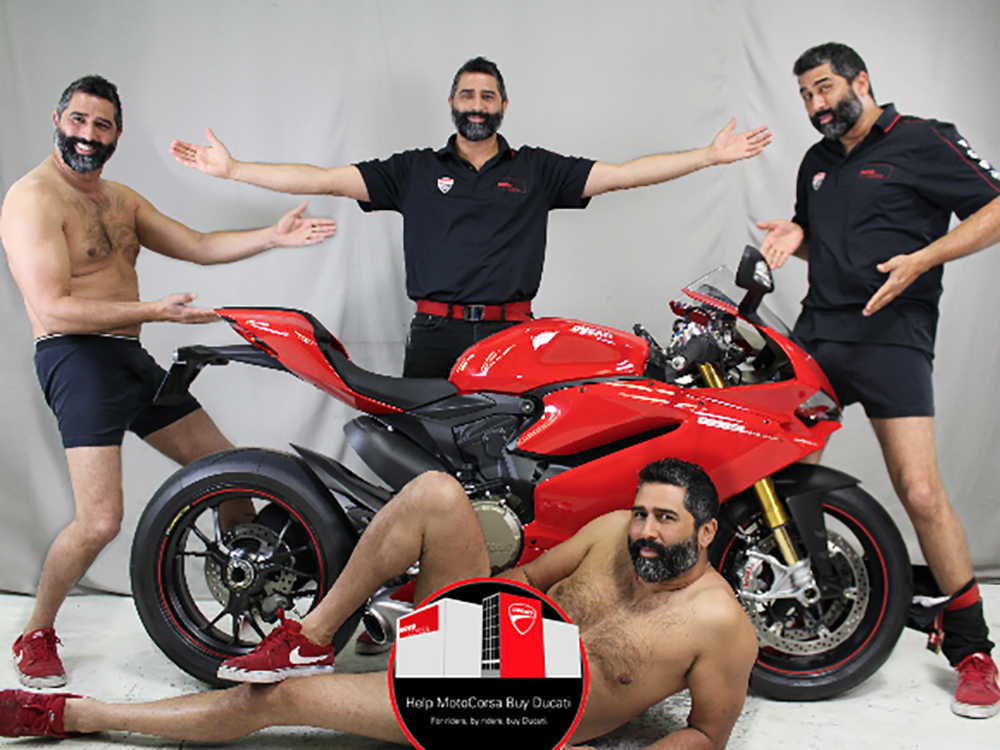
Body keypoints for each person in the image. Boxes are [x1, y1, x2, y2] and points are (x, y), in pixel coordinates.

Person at [0, 459, 759, 749]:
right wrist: (477, 621)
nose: (645, 531)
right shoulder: (610, 533)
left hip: (509, 714)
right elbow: (527, 579)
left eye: (665, 520)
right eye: (642, 512)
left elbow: (706, 734)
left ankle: (76, 715)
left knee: (276, 700)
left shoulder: (721, 626)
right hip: (489, 643)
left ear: (706, 531)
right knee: (435, 492)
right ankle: (312, 633)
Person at [0, 75, 338, 690]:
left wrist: (273, 236)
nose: (88, 135)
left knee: (229, 473)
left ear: (117, 134)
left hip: (127, 355)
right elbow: (53, 309)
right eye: (78, 120)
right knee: (100, 521)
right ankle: (36, 633)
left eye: (102, 125)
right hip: (75, 359)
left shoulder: (119, 199)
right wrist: (156, 311)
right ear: (57, 120)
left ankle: (255, 602)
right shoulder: (32, 199)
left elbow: (199, 244)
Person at [169, 56, 772, 379]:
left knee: (513, 462)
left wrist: (709, 156)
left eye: (487, 96)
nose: (477, 106)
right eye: (467, 95)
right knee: (426, 466)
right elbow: (324, 178)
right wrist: (235, 169)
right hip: (436, 336)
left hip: (515, 333)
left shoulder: (537, 169)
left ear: (504, 105)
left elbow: (622, 173)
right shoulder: (412, 170)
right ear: (452, 104)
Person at [757, 42, 1000, 719]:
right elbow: (826, 239)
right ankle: (799, 605)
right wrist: (796, 236)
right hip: (819, 339)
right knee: (776, 480)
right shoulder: (816, 162)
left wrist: (923, 258)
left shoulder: (922, 140)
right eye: (806, 95)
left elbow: (995, 208)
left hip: (893, 337)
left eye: (825, 88)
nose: (816, 105)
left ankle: (973, 649)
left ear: (860, 81)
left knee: (920, 491)